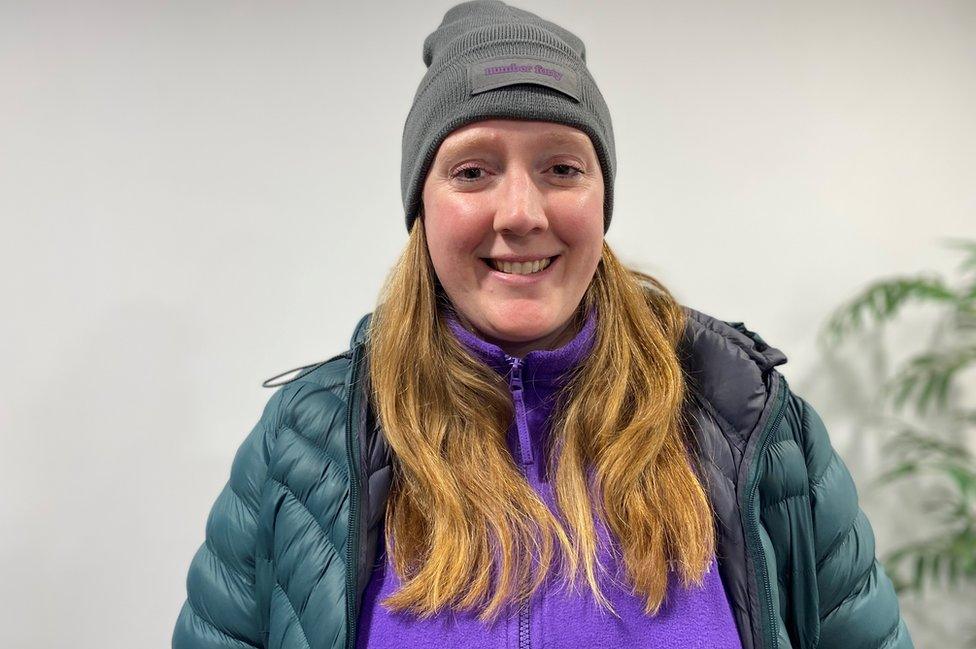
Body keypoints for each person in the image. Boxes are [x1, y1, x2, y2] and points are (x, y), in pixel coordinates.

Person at [172, 2, 915, 648]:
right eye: (472, 171)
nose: (522, 213)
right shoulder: (305, 446)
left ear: (601, 199)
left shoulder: (745, 420)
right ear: (421, 207)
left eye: (561, 168)